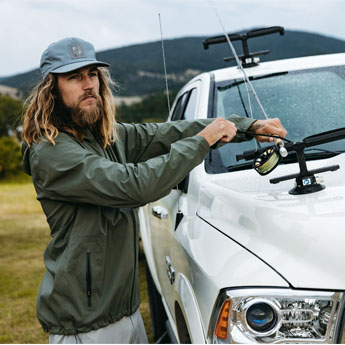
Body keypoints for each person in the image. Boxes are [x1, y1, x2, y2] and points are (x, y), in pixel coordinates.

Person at [21, 37, 287, 344]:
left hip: (126, 312)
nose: (88, 84)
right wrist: (204, 141)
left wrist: (244, 126)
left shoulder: (103, 136)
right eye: (74, 77)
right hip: (86, 326)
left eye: (92, 74)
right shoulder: (52, 152)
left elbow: (164, 133)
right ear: (52, 89)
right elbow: (134, 185)